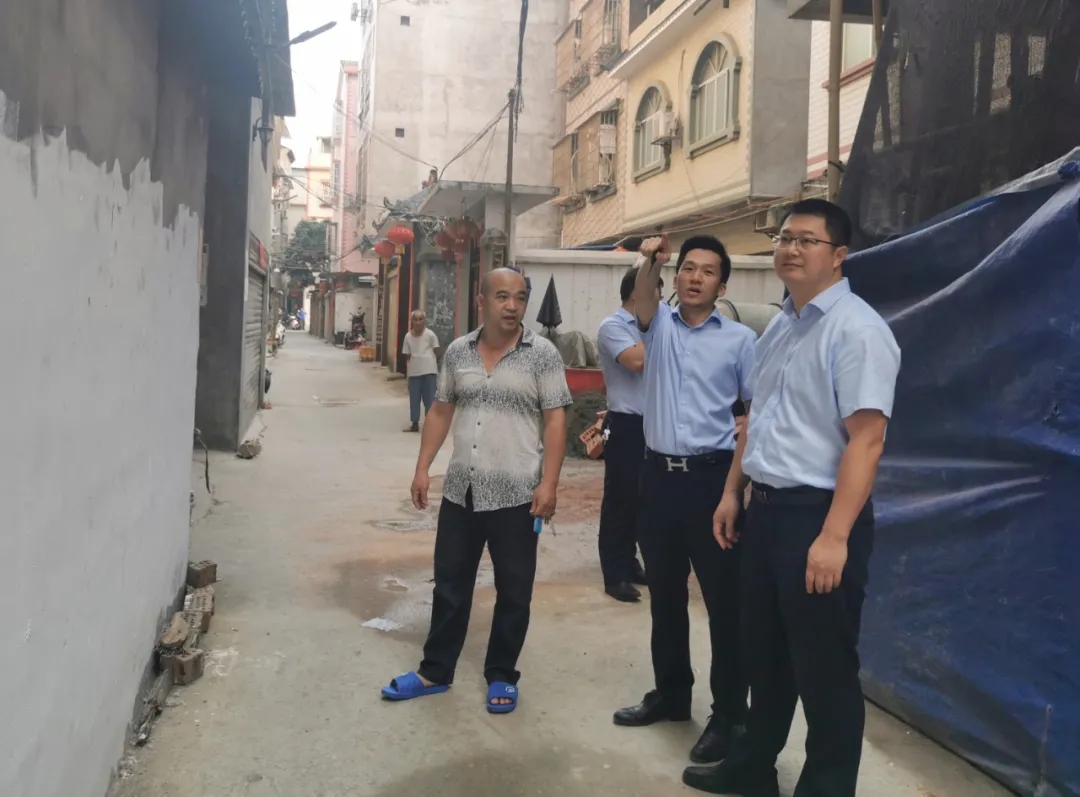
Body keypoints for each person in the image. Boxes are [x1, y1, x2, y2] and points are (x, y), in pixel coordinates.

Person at [682, 200, 901, 797]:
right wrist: (733, 491)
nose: (790, 248)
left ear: (839, 255)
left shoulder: (858, 331)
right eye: (783, 238)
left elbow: (867, 440)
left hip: (819, 517)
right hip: (766, 513)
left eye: (806, 239)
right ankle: (753, 770)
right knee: (765, 655)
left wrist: (834, 537)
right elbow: (755, 419)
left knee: (825, 669)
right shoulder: (781, 326)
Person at [380, 268, 572, 714]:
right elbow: (440, 411)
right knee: (450, 585)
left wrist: (549, 483)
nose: (512, 306)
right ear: (481, 301)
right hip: (461, 491)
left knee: (514, 591)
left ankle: (502, 674)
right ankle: (435, 670)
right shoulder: (457, 352)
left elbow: (555, 420)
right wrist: (423, 468)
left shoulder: (542, 355)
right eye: (502, 296)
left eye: (520, 298)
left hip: (517, 495)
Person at [613, 235, 755, 766]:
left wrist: (733, 491)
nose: (695, 278)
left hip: (711, 483)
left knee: (724, 605)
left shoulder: (741, 341)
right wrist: (650, 258)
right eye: (688, 269)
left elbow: (753, 416)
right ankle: (672, 695)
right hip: (658, 480)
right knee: (666, 597)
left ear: (723, 285)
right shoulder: (658, 326)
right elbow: (643, 291)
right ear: (675, 278)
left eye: (708, 271)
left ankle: (729, 715)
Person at [594, 266, 663, 602]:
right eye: (656, 291)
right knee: (620, 501)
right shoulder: (613, 326)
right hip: (626, 424)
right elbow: (636, 360)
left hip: (655, 424)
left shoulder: (653, 326)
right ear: (638, 293)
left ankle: (630, 562)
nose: (661, 300)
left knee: (644, 500)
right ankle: (615, 574)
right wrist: (664, 337)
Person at [401, 310, 440, 432]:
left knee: (430, 399)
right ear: (412, 321)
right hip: (414, 372)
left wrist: (433, 363)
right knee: (414, 398)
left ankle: (430, 424)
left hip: (429, 371)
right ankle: (414, 423)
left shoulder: (430, 335)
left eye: (421, 319)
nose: (418, 322)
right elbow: (406, 355)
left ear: (424, 321)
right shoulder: (408, 337)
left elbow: (437, 350)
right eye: (416, 319)